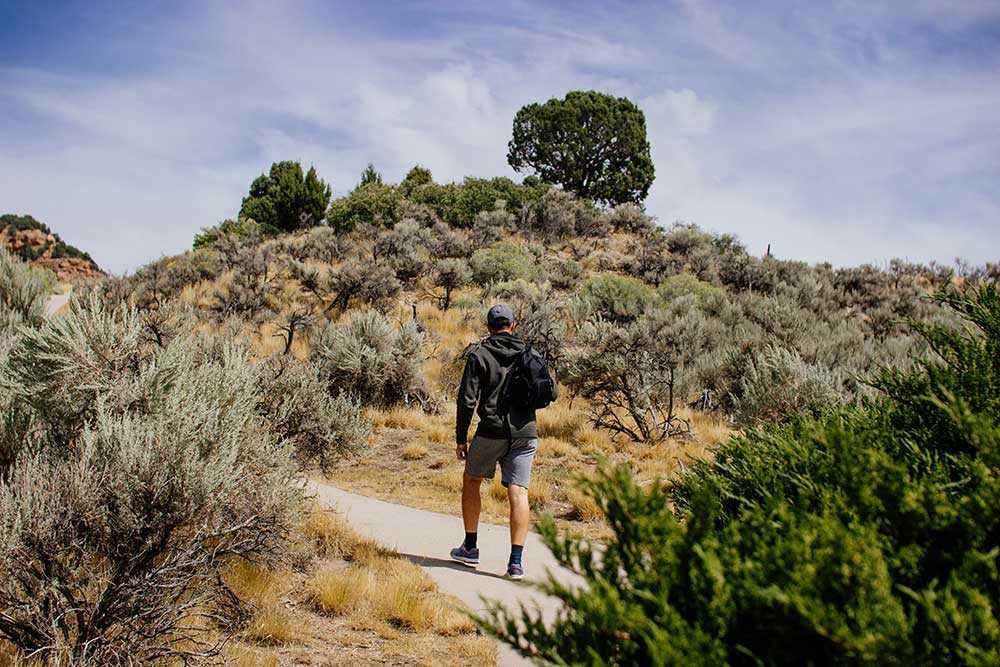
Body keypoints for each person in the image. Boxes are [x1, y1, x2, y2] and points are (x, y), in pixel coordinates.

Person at [450, 304, 555, 579]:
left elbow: (467, 400)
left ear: (488, 327)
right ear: (513, 325)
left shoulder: (479, 355)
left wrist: (461, 438)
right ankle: (516, 563)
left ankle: (470, 547)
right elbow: (551, 391)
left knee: (471, 481)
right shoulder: (529, 353)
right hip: (525, 432)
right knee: (519, 493)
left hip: (491, 431)